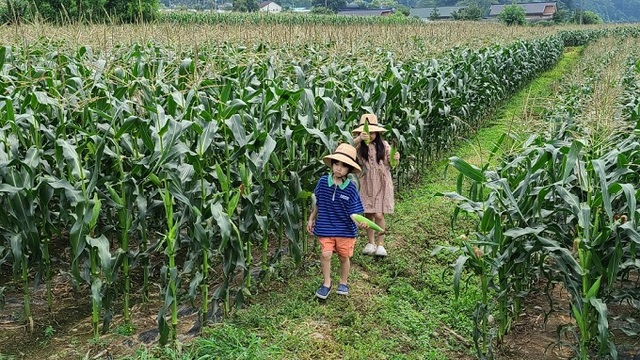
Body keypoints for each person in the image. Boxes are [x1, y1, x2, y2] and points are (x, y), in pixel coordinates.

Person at [307, 143, 367, 300]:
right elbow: (318, 203)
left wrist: (359, 222)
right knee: (325, 254)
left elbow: (353, 212)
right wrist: (312, 218)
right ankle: (327, 283)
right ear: (332, 165)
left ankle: (343, 282)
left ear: (349, 169)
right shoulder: (322, 182)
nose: (339, 168)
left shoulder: (351, 188)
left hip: (345, 230)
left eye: (343, 166)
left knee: (343, 257)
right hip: (325, 227)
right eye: (336, 164)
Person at [353, 113, 400, 257]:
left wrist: (396, 158)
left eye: (372, 132)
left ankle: (381, 244)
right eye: (367, 132)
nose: (370, 135)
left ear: (377, 132)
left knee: (379, 214)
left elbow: (392, 163)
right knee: (369, 214)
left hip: (381, 183)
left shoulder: (383, 145)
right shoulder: (359, 146)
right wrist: (359, 139)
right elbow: (346, 149)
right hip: (366, 182)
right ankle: (370, 242)